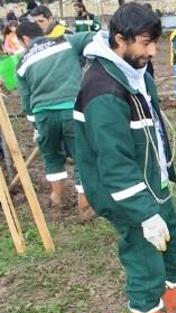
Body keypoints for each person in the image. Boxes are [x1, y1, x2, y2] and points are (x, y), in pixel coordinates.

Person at [74, 3, 176, 313]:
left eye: (155, 42)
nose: (152, 51)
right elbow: (115, 163)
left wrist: (162, 175)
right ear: (119, 40)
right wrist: (143, 212)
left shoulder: (134, 72)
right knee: (145, 257)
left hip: (153, 181)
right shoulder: (104, 91)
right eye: (145, 43)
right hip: (125, 194)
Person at [15, 19, 94, 218]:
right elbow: (94, 36)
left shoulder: (22, 62)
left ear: (25, 39)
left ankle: (57, 199)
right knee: (82, 155)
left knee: (51, 157)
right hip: (72, 109)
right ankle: (84, 207)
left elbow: (26, 100)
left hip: (43, 114)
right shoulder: (65, 41)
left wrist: (36, 126)